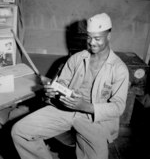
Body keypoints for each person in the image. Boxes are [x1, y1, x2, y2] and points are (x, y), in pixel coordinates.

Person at [11, 13, 129, 159]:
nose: (92, 42)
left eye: (97, 38)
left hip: (93, 119)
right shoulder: (77, 58)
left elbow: (118, 107)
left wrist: (85, 106)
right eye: (89, 37)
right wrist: (53, 90)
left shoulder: (119, 69)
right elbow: (63, 83)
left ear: (109, 36)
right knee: (20, 132)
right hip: (65, 110)